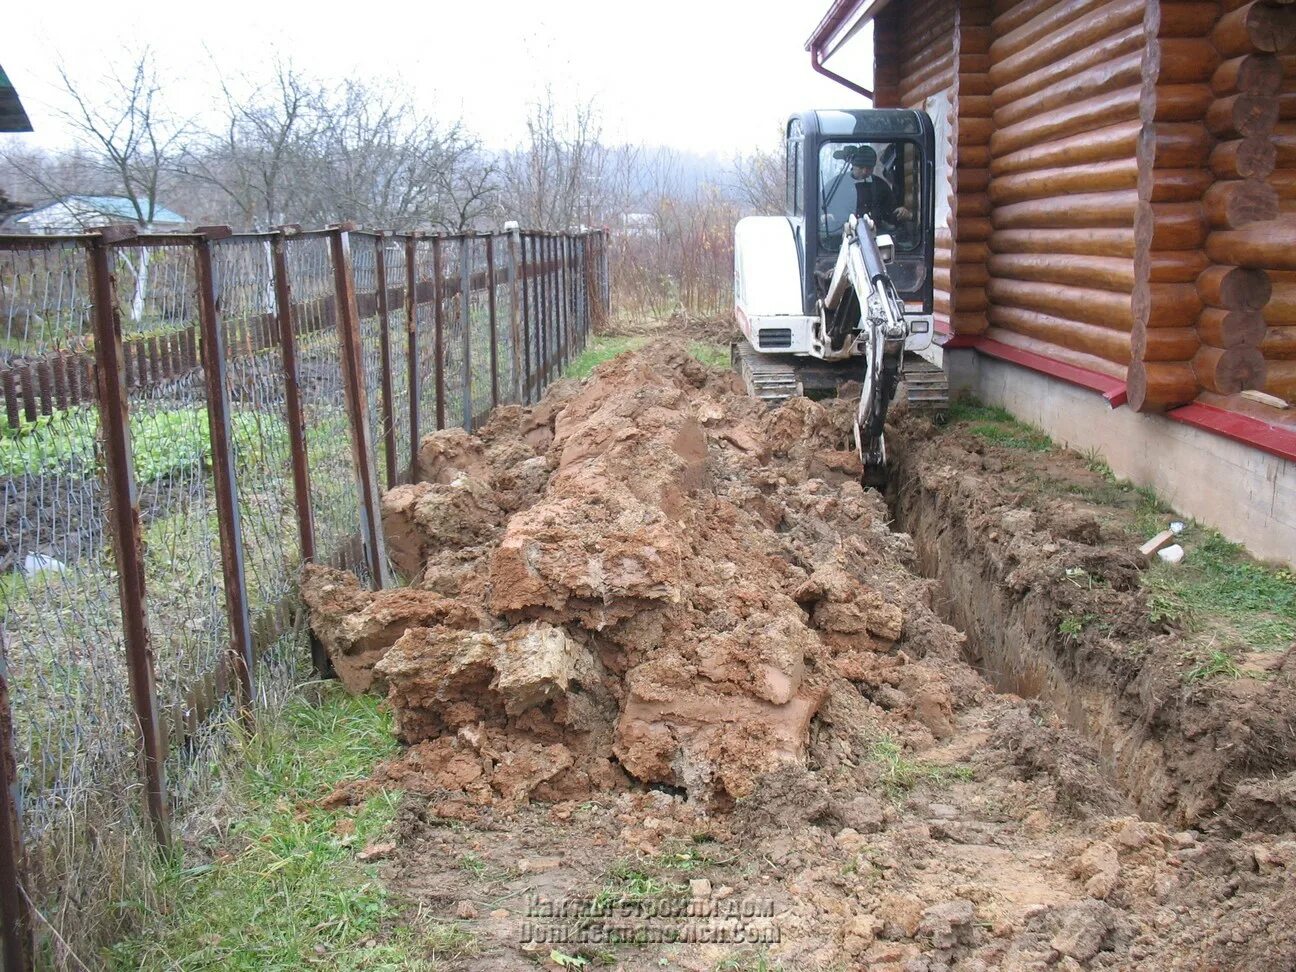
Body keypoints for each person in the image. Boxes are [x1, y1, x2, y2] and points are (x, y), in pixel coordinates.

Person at [838, 145, 912, 229]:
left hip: (875, 235)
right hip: (843, 234)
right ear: (853, 165)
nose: (864, 171)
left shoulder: (880, 185)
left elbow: (891, 213)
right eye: (861, 167)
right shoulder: (838, 185)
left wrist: (901, 212)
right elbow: (827, 210)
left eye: (869, 168)